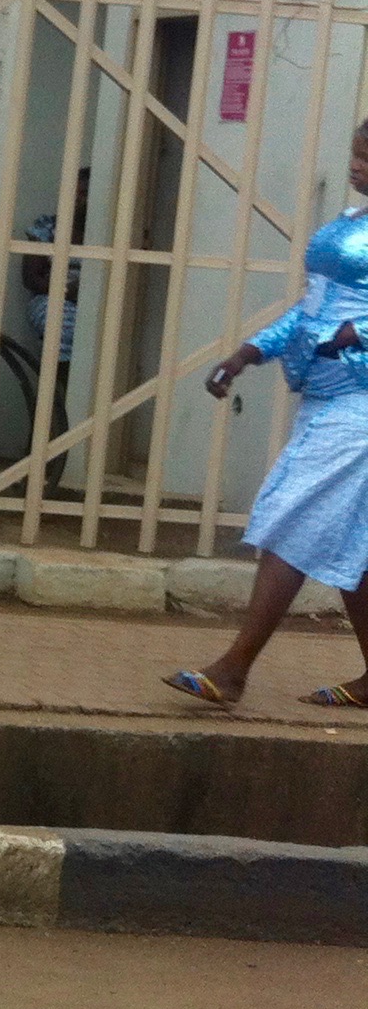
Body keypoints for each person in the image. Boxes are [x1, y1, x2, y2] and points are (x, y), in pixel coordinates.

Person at [166, 122, 368, 711]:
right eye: (355, 155)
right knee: (354, 545)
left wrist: (356, 335)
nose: (358, 167)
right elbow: (312, 309)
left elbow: (342, 322)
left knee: (290, 515)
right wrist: (251, 351)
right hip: (326, 397)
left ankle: (234, 668)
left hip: (359, 404)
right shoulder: (350, 227)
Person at [22, 170, 90, 369]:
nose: (77, 199)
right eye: (73, 193)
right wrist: (70, 291)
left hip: (96, 301)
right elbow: (31, 279)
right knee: (60, 325)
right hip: (51, 296)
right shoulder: (48, 229)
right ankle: (61, 392)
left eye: (84, 194)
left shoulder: (111, 235)